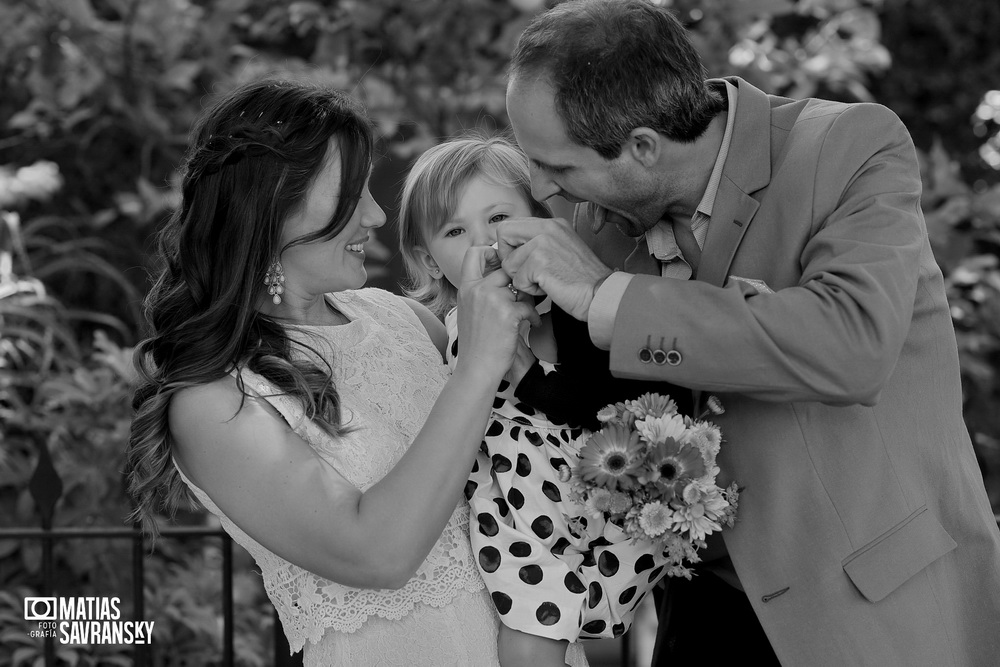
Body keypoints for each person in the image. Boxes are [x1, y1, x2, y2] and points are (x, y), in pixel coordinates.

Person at [495, 1, 1000, 665]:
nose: (542, 187)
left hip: (874, 613)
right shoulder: (597, 217)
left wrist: (603, 296)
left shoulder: (851, 147)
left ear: (643, 147)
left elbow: (853, 343)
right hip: (697, 623)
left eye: (556, 167)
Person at [123, 78, 546, 666]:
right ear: (272, 210)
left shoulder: (404, 321)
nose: (375, 214)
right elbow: (377, 555)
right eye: (350, 193)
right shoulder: (215, 402)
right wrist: (476, 365)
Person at [397, 134, 690, 666]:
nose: (483, 242)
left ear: (539, 219)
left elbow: (608, 401)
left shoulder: (579, 307)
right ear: (429, 259)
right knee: (534, 631)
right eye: (456, 230)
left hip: (604, 495)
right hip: (517, 506)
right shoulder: (454, 329)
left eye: (499, 217)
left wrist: (532, 373)